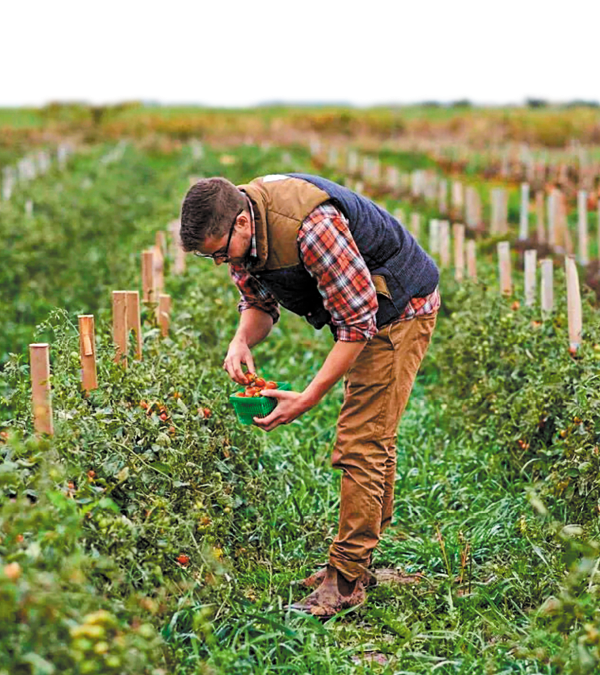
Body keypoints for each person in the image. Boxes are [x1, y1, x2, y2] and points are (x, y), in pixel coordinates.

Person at [179, 172, 440, 618]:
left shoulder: (311, 227)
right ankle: (359, 561)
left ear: (241, 223)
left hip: (399, 308)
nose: (222, 263)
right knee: (373, 435)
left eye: (221, 252)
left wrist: (310, 395)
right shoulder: (243, 229)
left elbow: (358, 324)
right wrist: (241, 339)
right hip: (367, 312)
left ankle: (346, 581)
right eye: (212, 258)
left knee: (362, 441)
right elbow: (259, 305)